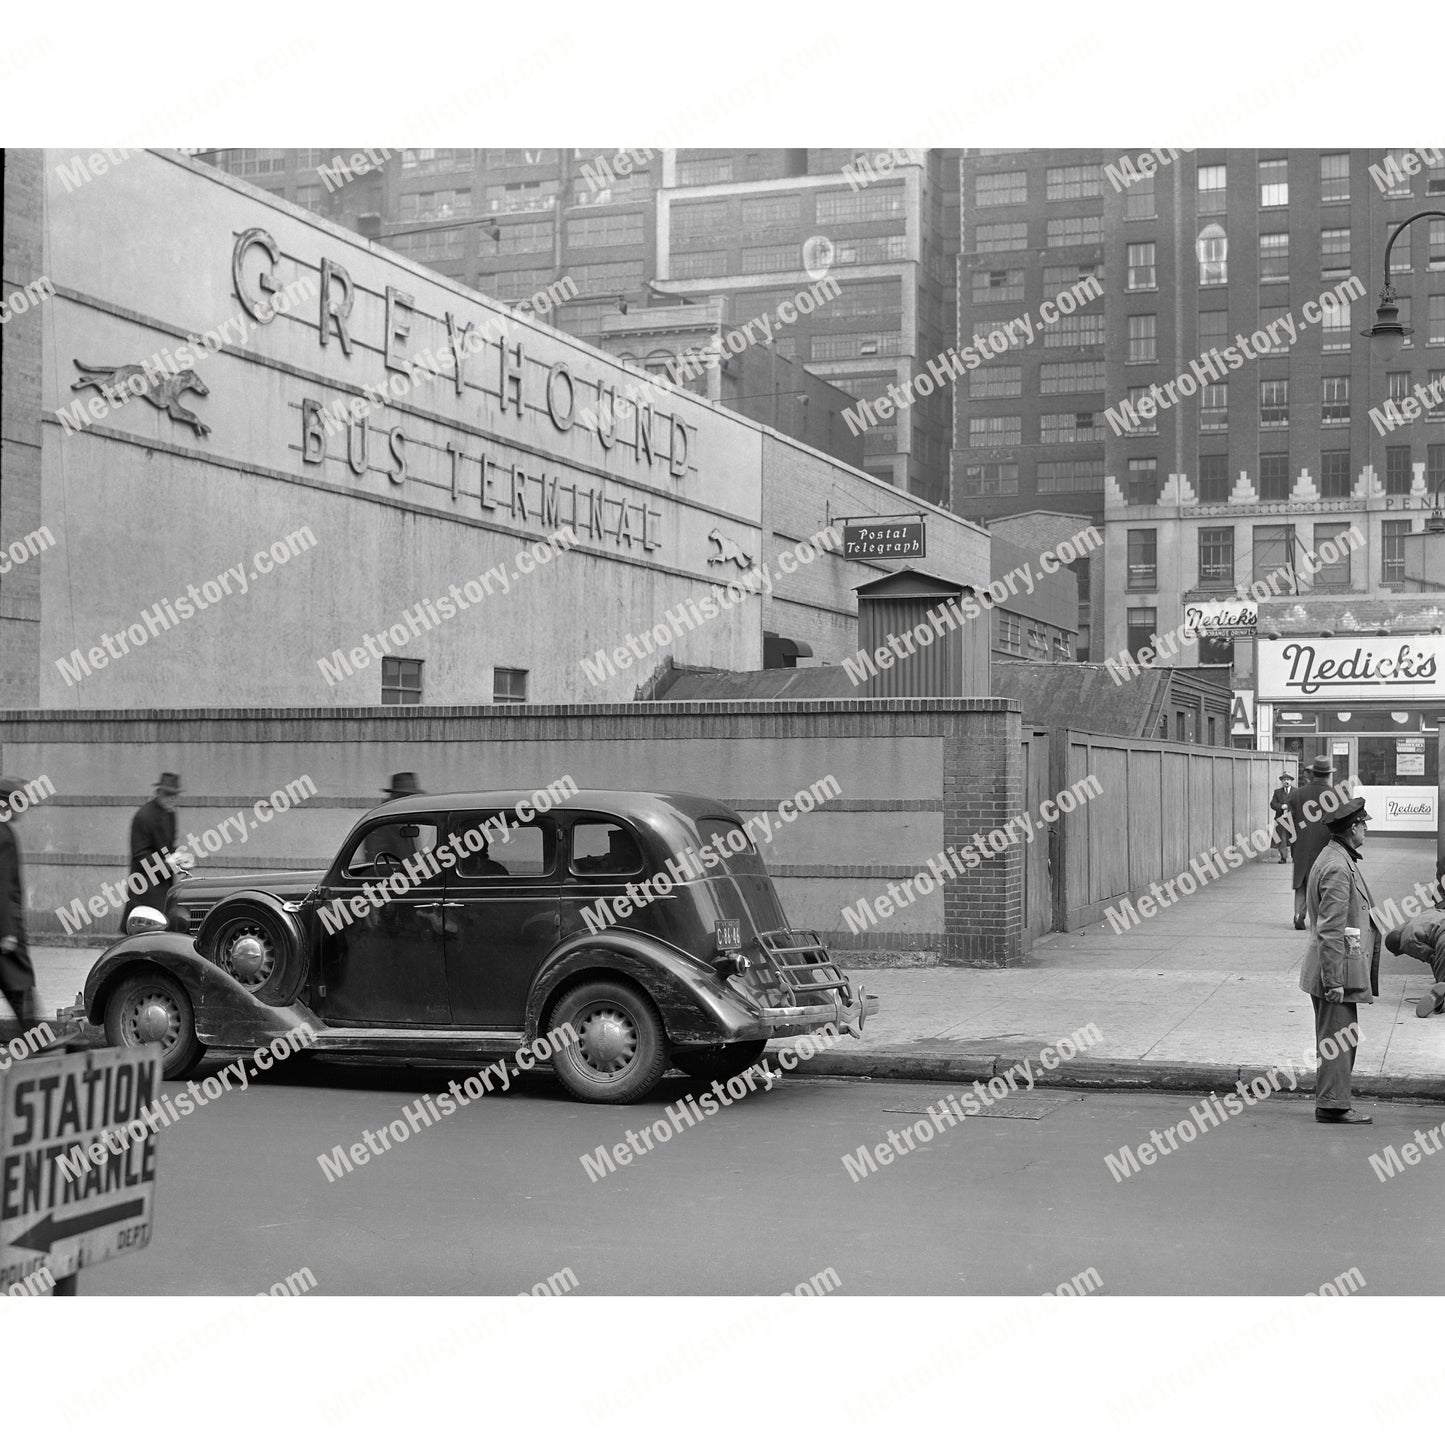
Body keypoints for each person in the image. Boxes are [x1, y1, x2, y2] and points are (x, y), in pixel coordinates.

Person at [1298, 794, 1377, 1125]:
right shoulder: (1336, 866)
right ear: (1352, 827)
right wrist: (1333, 982)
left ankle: (1332, 1100)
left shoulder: (1338, 857)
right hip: (1335, 973)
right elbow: (1331, 930)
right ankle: (1333, 1105)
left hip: (1339, 970)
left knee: (1340, 1038)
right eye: (1363, 825)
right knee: (1337, 1040)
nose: (1365, 831)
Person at [0, 776, 42, 1030]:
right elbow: (3, 886)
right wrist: (7, 932)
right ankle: (36, 1040)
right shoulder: (4, 835)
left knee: (17, 984)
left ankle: (35, 1037)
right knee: (19, 981)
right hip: (6, 929)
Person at [124, 771, 180, 925]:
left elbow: (169, 846)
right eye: (168, 794)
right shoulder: (144, 816)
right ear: (158, 792)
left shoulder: (170, 813)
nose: (171, 799)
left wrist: (179, 859)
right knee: (144, 933)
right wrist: (168, 864)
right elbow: (140, 856)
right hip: (146, 886)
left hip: (163, 886)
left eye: (174, 795)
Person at [1288, 756, 1335, 930]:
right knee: (1324, 884)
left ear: (1313, 773)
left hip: (1302, 846)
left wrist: (1294, 844)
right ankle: (1320, 920)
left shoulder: (1297, 794)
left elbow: (1288, 823)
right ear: (1328, 775)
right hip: (1326, 848)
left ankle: (1298, 915)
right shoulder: (1336, 795)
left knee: (1301, 883)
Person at [1383, 911, 1445, 1018]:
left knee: (1443, 981)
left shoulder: (1406, 942)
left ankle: (1440, 1004)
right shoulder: (1414, 921)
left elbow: (1432, 957)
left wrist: (1438, 980)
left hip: (1442, 938)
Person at [364, 771, 425, 867]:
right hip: (392, 877)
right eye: (406, 797)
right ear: (396, 797)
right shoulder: (382, 822)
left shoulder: (403, 820)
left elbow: (411, 855)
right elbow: (376, 861)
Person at [1269, 770, 1294, 865]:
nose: (1286, 781)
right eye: (1284, 780)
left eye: (1288, 779)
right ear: (1282, 781)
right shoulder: (1277, 792)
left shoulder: (1296, 791)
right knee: (1282, 839)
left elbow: (1299, 804)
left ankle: (1295, 857)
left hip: (1293, 819)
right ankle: (1283, 857)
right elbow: (1272, 804)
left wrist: (1290, 808)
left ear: (1291, 781)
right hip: (1281, 819)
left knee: (1294, 838)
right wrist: (1281, 806)